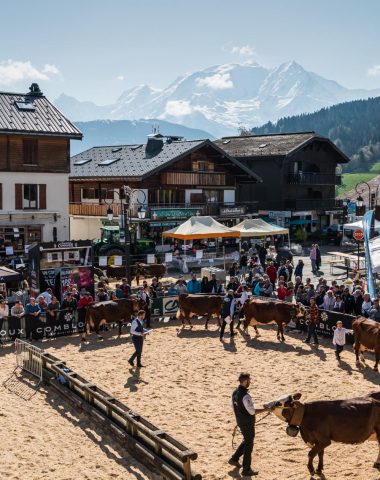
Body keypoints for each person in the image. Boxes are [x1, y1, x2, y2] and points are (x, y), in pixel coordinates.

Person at [229, 372, 272, 476]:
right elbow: (252, 411)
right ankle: (246, 469)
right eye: (249, 380)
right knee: (249, 444)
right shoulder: (246, 396)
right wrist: (266, 409)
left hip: (240, 421)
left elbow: (232, 406)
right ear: (244, 381)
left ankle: (234, 458)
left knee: (247, 440)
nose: (250, 382)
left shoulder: (235, 392)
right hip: (247, 423)